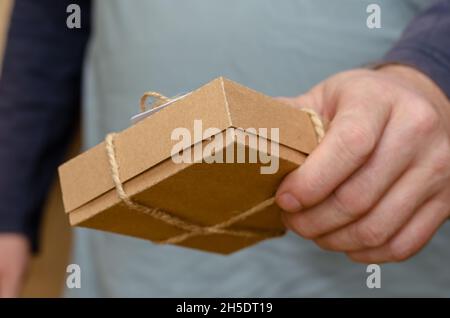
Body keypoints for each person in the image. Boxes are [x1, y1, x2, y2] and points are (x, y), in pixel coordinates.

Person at [0, 0, 449, 297]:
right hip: (129, 260)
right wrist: (9, 206)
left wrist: (431, 70)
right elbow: (51, 19)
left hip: (383, 254)